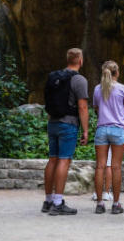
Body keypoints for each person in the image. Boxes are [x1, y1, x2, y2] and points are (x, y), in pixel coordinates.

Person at [41, 48, 89, 216]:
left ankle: (47, 201)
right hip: (68, 124)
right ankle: (58, 202)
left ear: (68, 59)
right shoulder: (79, 80)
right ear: (80, 61)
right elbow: (82, 106)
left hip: (52, 122)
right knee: (64, 160)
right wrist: (86, 130)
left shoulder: (54, 77)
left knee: (52, 160)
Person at [92, 60, 124, 215]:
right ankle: (116, 204)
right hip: (118, 130)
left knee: (100, 166)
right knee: (116, 167)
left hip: (102, 128)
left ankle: (100, 204)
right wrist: (119, 109)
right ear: (117, 72)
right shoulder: (123, 88)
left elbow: (96, 108)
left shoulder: (97, 89)